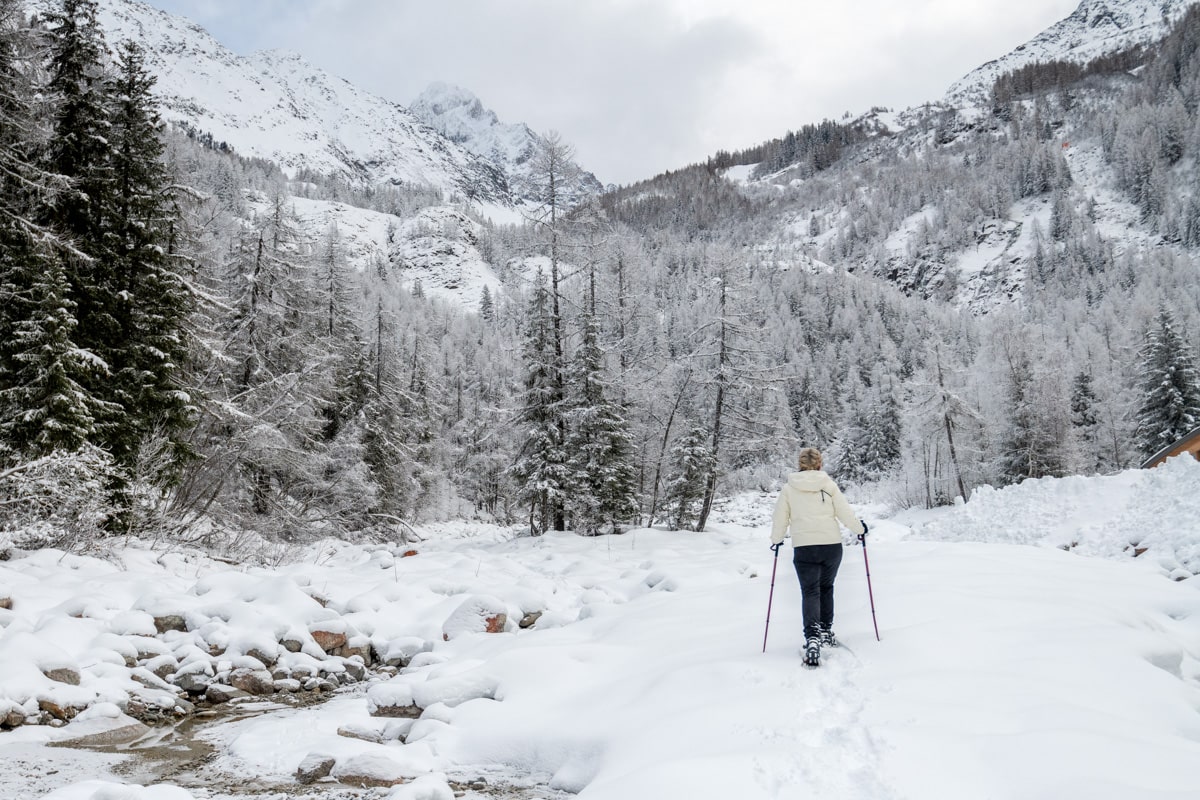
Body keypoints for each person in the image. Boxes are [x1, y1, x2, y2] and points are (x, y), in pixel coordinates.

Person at [769, 447, 866, 667]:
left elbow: (780, 518)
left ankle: (812, 637)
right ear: (820, 464)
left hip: (804, 547)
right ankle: (825, 630)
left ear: (800, 464)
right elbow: (844, 513)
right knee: (827, 587)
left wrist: (776, 539)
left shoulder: (788, 489)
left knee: (810, 591)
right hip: (831, 546)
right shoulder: (829, 486)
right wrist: (860, 529)